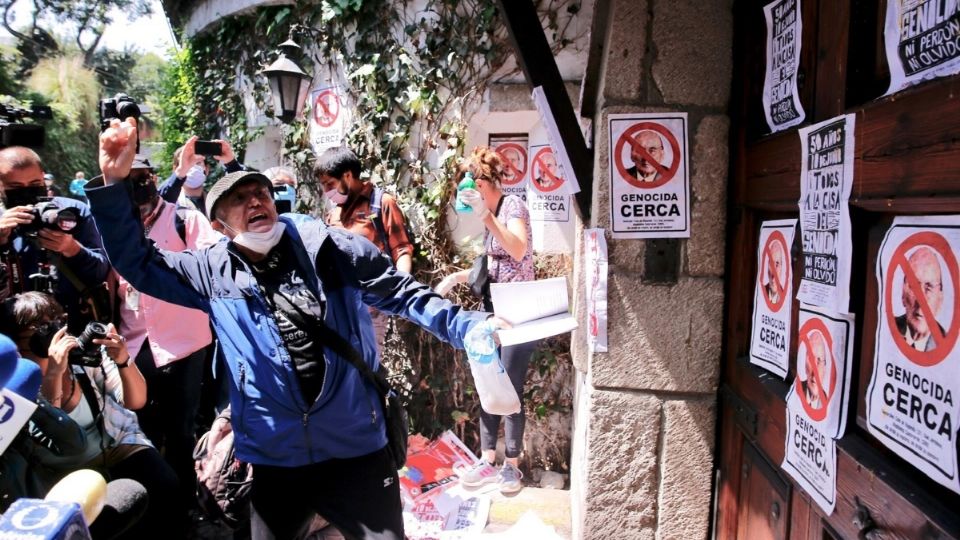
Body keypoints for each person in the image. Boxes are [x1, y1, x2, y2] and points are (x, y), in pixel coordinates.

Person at [91, 118, 508, 539]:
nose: (255, 202)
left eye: (260, 193)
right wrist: (112, 183)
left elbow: (405, 294)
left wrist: (464, 326)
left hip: (355, 449)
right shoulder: (209, 273)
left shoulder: (334, 249)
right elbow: (139, 262)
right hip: (275, 460)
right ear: (219, 225)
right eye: (239, 199)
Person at [4, 291, 184, 538]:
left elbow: (136, 400)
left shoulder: (83, 359)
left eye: (55, 326)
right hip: (63, 469)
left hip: (112, 445)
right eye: (38, 336)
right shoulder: (17, 387)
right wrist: (54, 374)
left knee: (164, 485)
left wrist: (122, 360)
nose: (52, 340)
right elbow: (64, 442)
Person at [116, 154, 222, 508]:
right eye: (126, 180)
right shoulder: (118, 225)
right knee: (140, 427)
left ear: (154, 177)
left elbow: (211, 264)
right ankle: (150, 504)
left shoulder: (185, 219)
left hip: (183, 343)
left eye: (142, 177)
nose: (136, 185)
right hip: (133, 343)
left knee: (180, 429)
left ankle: (184, 506)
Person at [435, 146, 537, 494]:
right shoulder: (492, 214)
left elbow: (519, 249)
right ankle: (487, 460)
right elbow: (491, 268)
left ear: (480, 183)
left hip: (520, 316)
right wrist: (455, 279)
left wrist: (487, 218)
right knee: (487, 385)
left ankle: (512, 465)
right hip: (495, 315)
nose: (463, 194)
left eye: (466, 185)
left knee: (508, 390)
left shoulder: (511, 206)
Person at [0, 147, 110, 330]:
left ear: (43, 178)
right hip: (12, 331)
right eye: (16, 188)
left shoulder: (72, 213)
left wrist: (72, 249)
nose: (27, 192)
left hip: (71, 327)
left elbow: (101, 272)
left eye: (35, 183)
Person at [318, 146, 415, 347]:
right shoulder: (333, 214)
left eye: (330, 184)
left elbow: (402, 248)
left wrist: (400, 290)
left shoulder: (381, 203)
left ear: (347, 175)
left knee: (367, 366)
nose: (327, 192)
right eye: (323, 186)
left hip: (373, 306)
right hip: (341, 307)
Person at [158, 136, 245, 213]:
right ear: (175, 169)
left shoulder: (216, 203)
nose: (193, 167)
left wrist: (231, 163)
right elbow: (158, 201)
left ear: (206, 170)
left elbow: (244, 192)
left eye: (198, 162)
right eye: (188, 163)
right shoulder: (169, 204)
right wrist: (181, 171)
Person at [895, 246, 947, 352]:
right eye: (914, 286)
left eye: (929, 287)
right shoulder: (888, 328)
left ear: (940, 299)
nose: (921, 301)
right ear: (903, 293)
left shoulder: (949, 349)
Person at [764, 240, 785, 305]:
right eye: (771, 264)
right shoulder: (762, 292)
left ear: (782, 267)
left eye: (777, 264)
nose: (774, 274)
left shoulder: (785, 298)